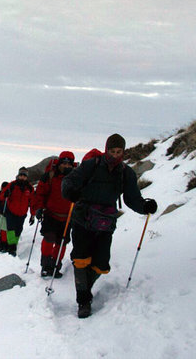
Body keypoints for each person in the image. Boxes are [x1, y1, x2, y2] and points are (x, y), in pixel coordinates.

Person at [62, 134, 158, 319]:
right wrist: (70, 192)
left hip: (105, 223)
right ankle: (83, 302)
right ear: (106, 150)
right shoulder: (92, 165)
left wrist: (145, 206)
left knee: (101, 264)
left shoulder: (125, 173)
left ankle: (85, 290)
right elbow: (69, 182)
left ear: (123, 151)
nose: (115, 155)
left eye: (119, 152)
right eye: (112, 151)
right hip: (82, 218)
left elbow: (132, 198)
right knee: (81, 259)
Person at [31, 151, 76, 278]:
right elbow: (39, 194)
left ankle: (55, 266)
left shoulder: (77, 177)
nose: (66, 166)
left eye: (69, 163)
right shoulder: (50, 176)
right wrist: (38, 208)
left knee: (62, 242)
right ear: (59, 163)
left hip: (68, 217)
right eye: (64, 163)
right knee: (49, 239)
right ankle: (46, 266)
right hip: (51, 214)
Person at [0, 167, 35, 256]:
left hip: (22, 214)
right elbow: (1, 196)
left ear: (27, 177)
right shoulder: (12, 185)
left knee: (18, 231)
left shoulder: (30, 188)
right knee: (11, 230)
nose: (22, 177)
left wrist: (32, 215)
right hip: (11, 212)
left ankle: (12, 246)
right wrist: (6, 194)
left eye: (24, 176)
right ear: (18, 175)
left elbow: (32, 202)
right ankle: (12, 248)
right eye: (21, 175)